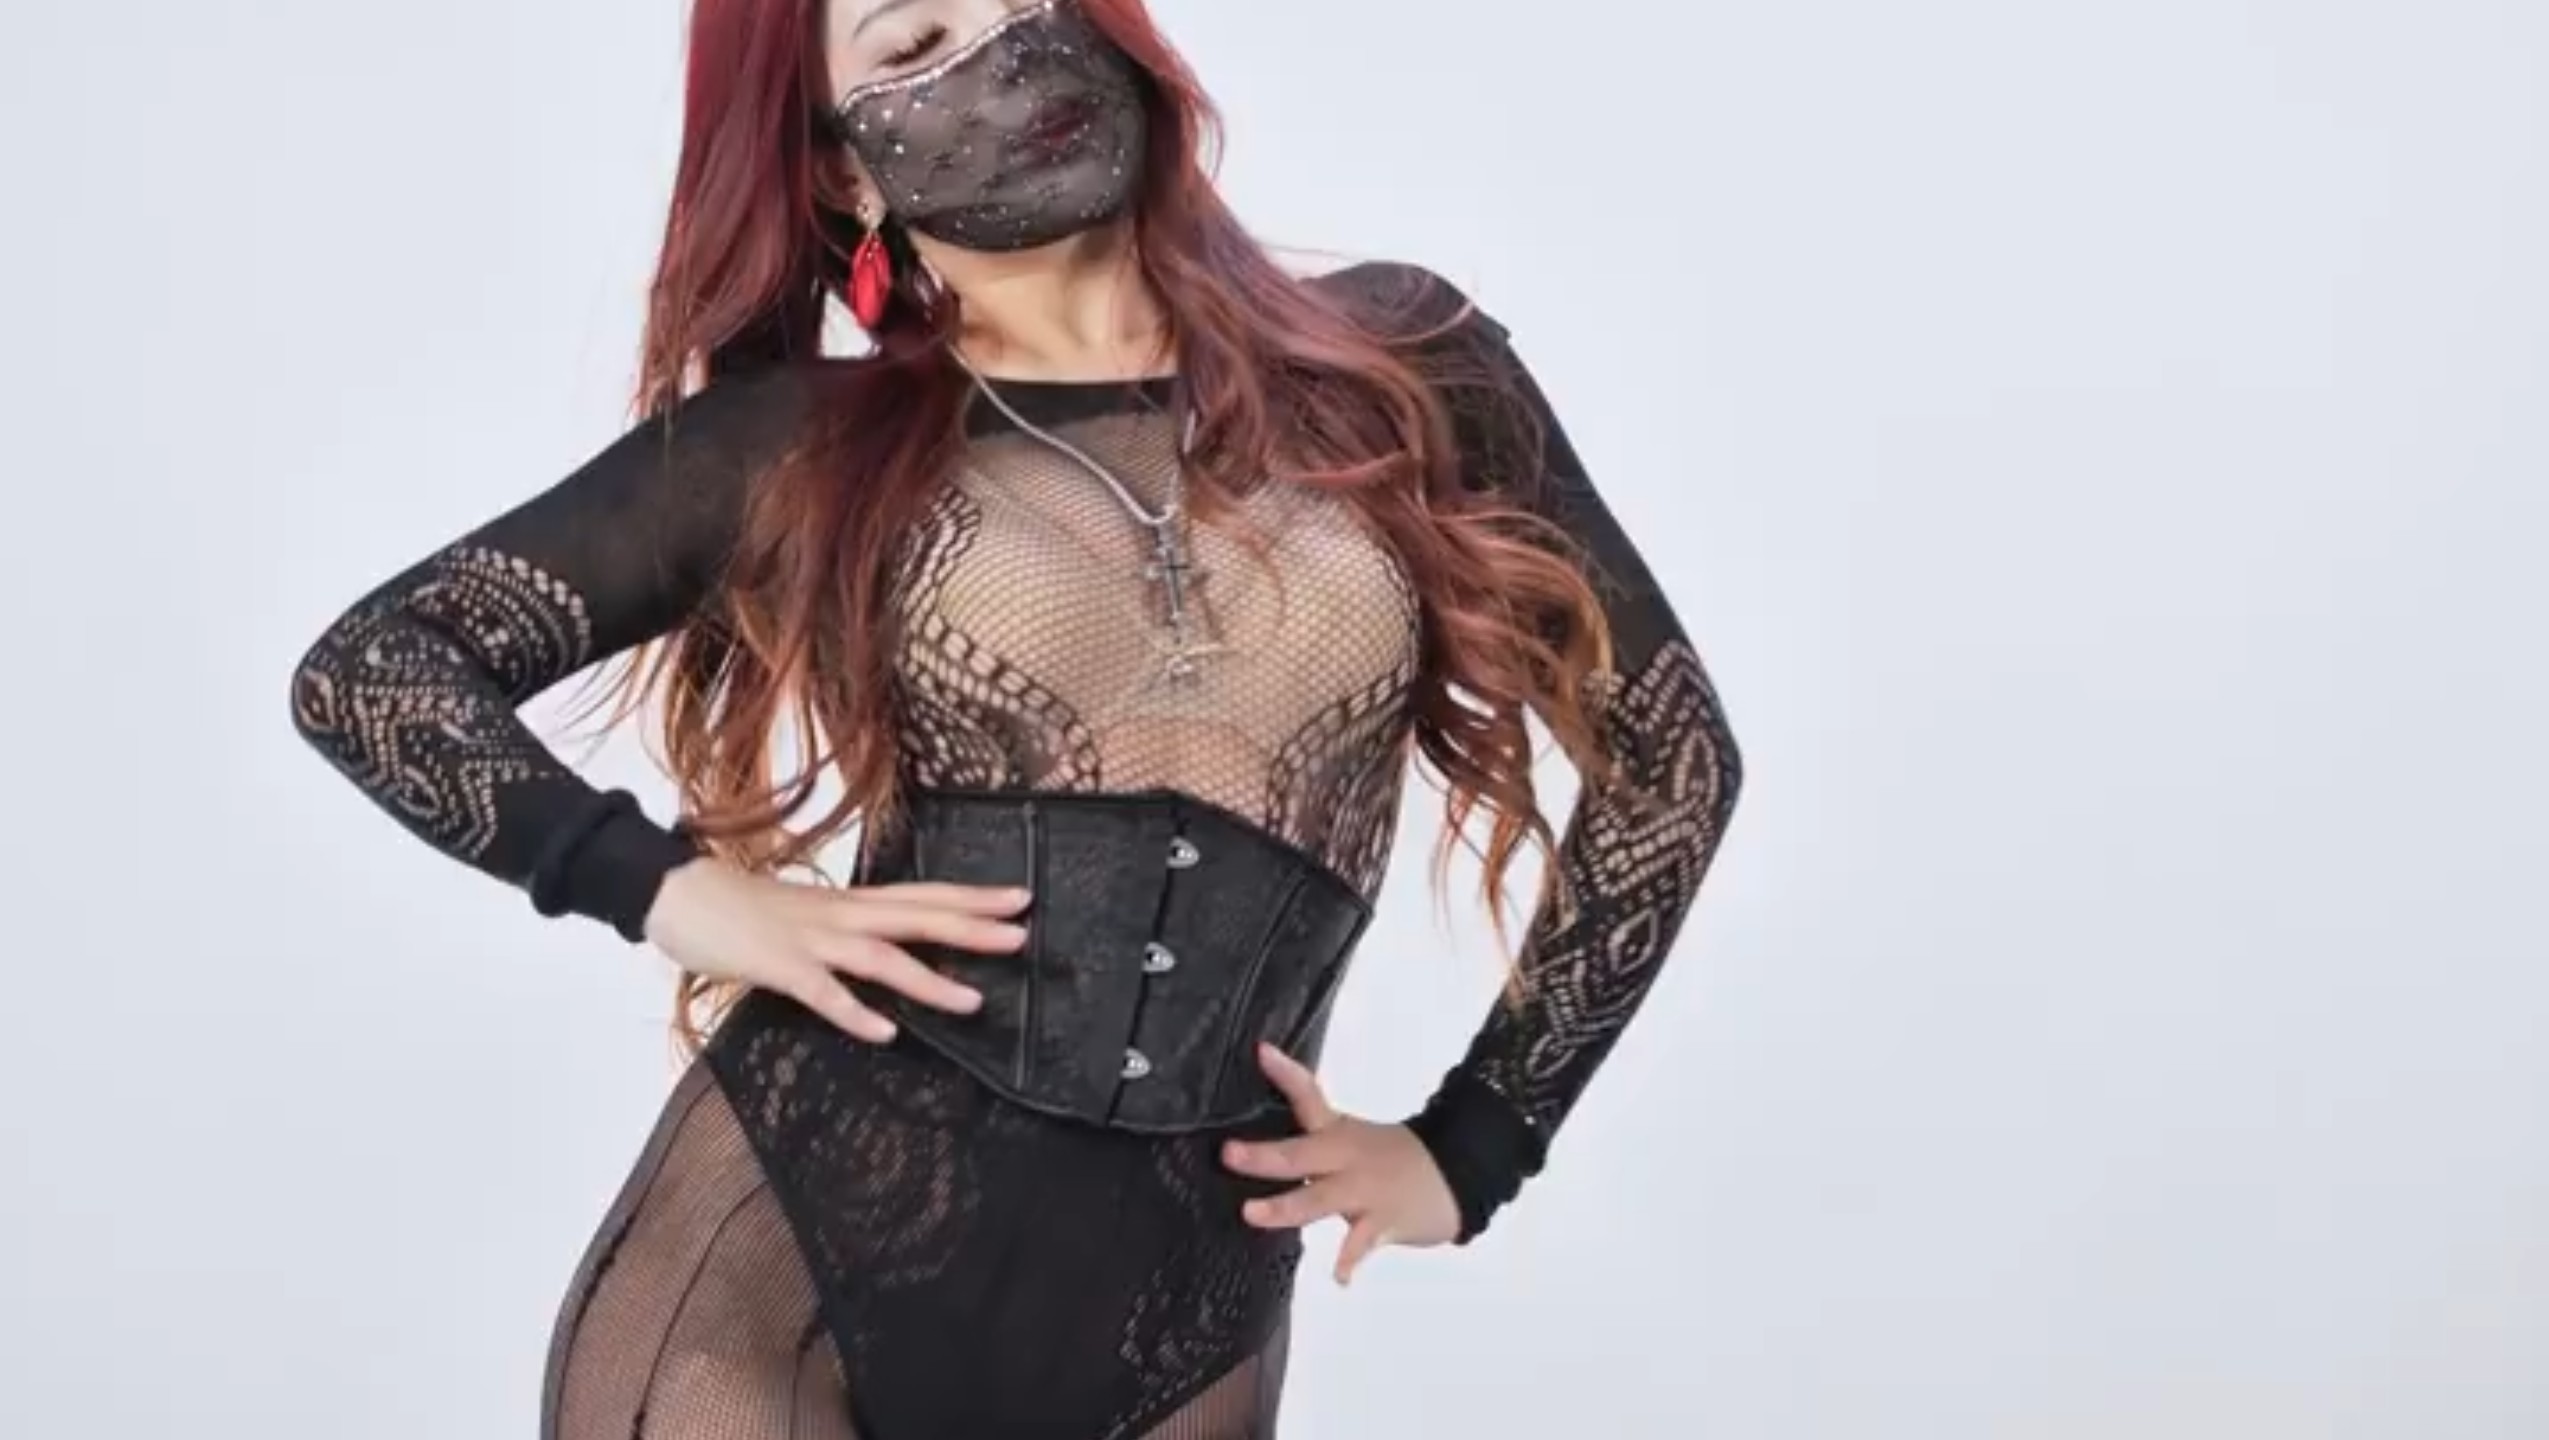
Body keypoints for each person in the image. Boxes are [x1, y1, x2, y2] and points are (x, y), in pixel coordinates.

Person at [286, 0, 1743, 1434]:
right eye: (917, 44)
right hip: (777, 1275)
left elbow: (1671, 762)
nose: (1012, 52)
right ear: (841, 165)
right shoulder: (798, 446)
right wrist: (675, 892)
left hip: (1187, 1311)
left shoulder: (1401, 363)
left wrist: (1477, 1145)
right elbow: (374, 668)